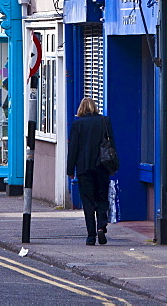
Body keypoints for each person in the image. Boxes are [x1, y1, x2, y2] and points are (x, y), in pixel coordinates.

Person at [67, 97, 115, 246]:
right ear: (94, 107)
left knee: (88, 202)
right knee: (102, 197)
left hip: (84, 168)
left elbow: (73, 149)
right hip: (102, 166)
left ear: (81, 108)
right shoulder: (104, 121)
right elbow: (111, 144)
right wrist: (112, 166)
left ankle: (90, 236)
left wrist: (70, 170)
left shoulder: (77, 124)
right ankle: (101, 226)